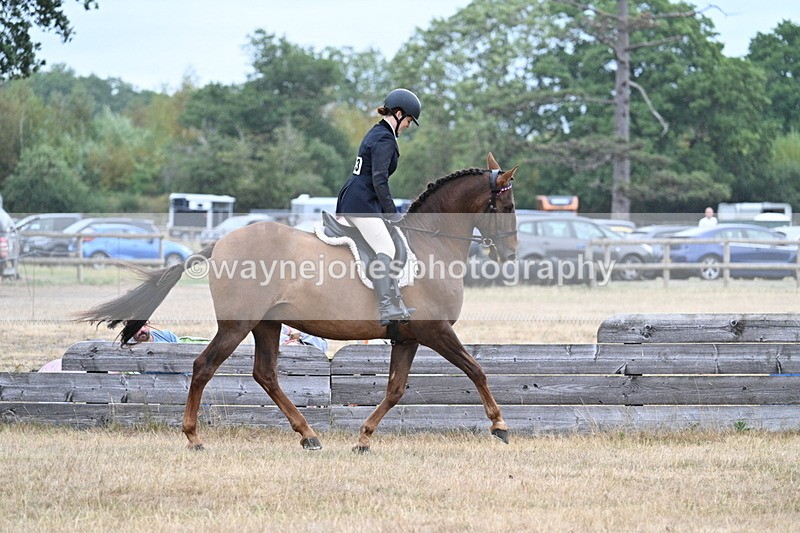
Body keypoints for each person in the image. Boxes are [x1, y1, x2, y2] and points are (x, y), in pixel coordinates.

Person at [335, 88, 421, 326]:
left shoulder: (377, 132)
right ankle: (386, 307)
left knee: (386, 243)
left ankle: (394, 300)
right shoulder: (384, 138)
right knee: (386, 247)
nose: (408, 126)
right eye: (409, 121)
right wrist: (392, 212)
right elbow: (379, 179)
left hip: (356, 199)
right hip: (361, 203)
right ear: (399, 113)